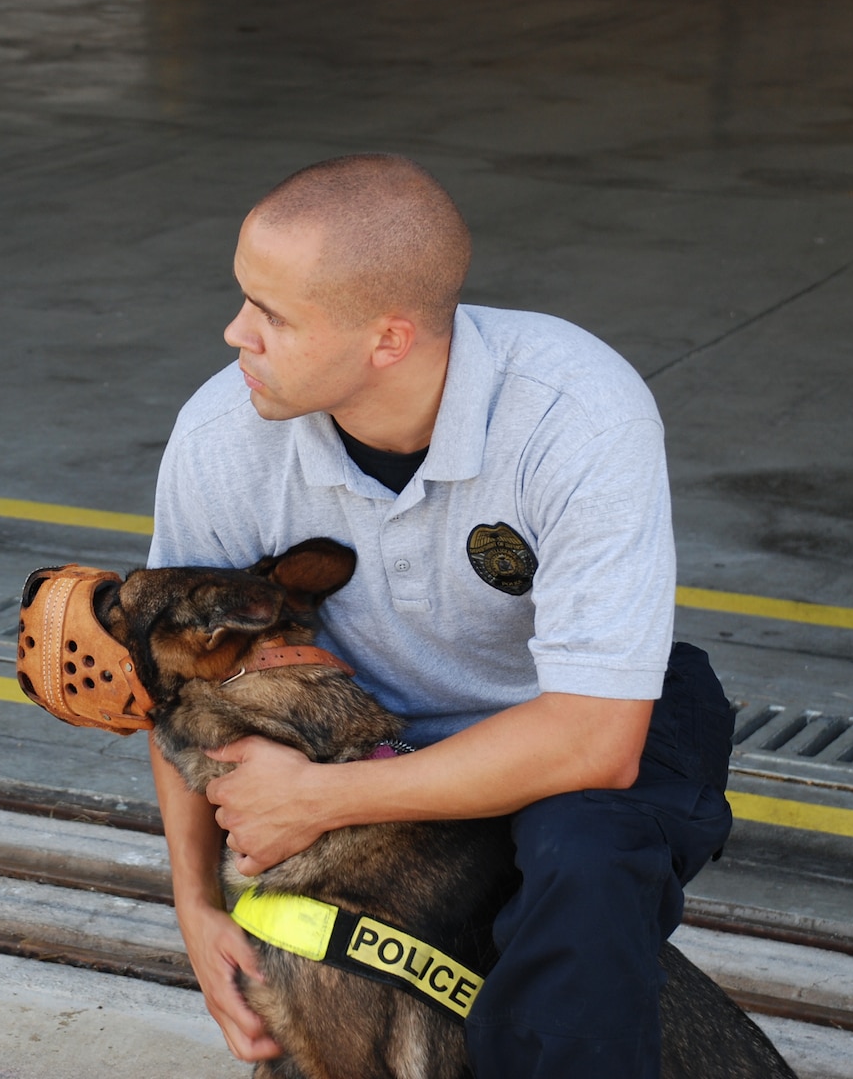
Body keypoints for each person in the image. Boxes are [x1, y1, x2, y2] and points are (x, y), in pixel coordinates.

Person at [146, 153, 734, 1079]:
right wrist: (195, 905)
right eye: (242, 299)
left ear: (388, 339)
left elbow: (594, 739)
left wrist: (320, 800)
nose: (233, 334)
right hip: (373, 740)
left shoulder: (575, 413)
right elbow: (182, 675)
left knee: (581, 865)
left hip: (574, 730)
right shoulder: (224, 436)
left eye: (272, 315)